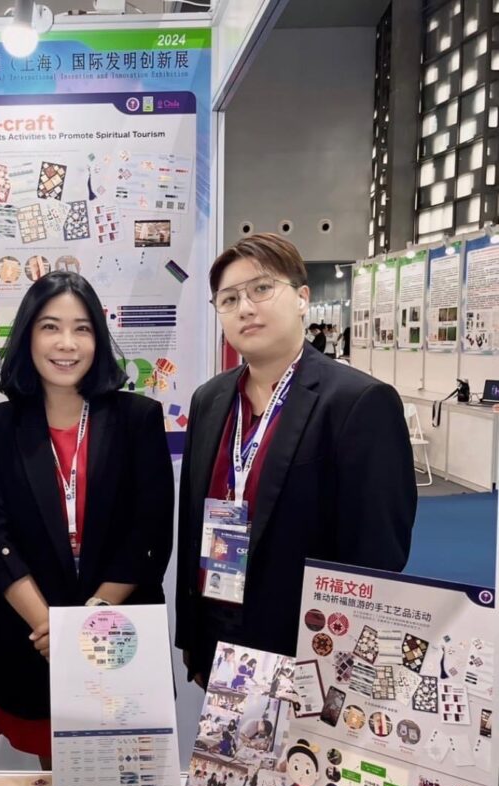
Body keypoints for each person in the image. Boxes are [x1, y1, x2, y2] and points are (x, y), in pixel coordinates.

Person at [176, 233, 416, 686]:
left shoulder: (359, 402)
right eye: (229, 299)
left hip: (308, 653)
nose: (245, 307)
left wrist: (339, 665)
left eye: (262, 289)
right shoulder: (209, 400)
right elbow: (194, 526)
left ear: (302, 298)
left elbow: (378, 554)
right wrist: (193, 636)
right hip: (219, 639)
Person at [0, 271, 173, 767]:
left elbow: (149, 532)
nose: (67, 344)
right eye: (50, 327)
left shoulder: (138, 419)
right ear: (27, 336)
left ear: (98, 340)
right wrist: (53, 632)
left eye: (81, 329)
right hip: (33, 640)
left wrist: (89, 623)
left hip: (118, 633)